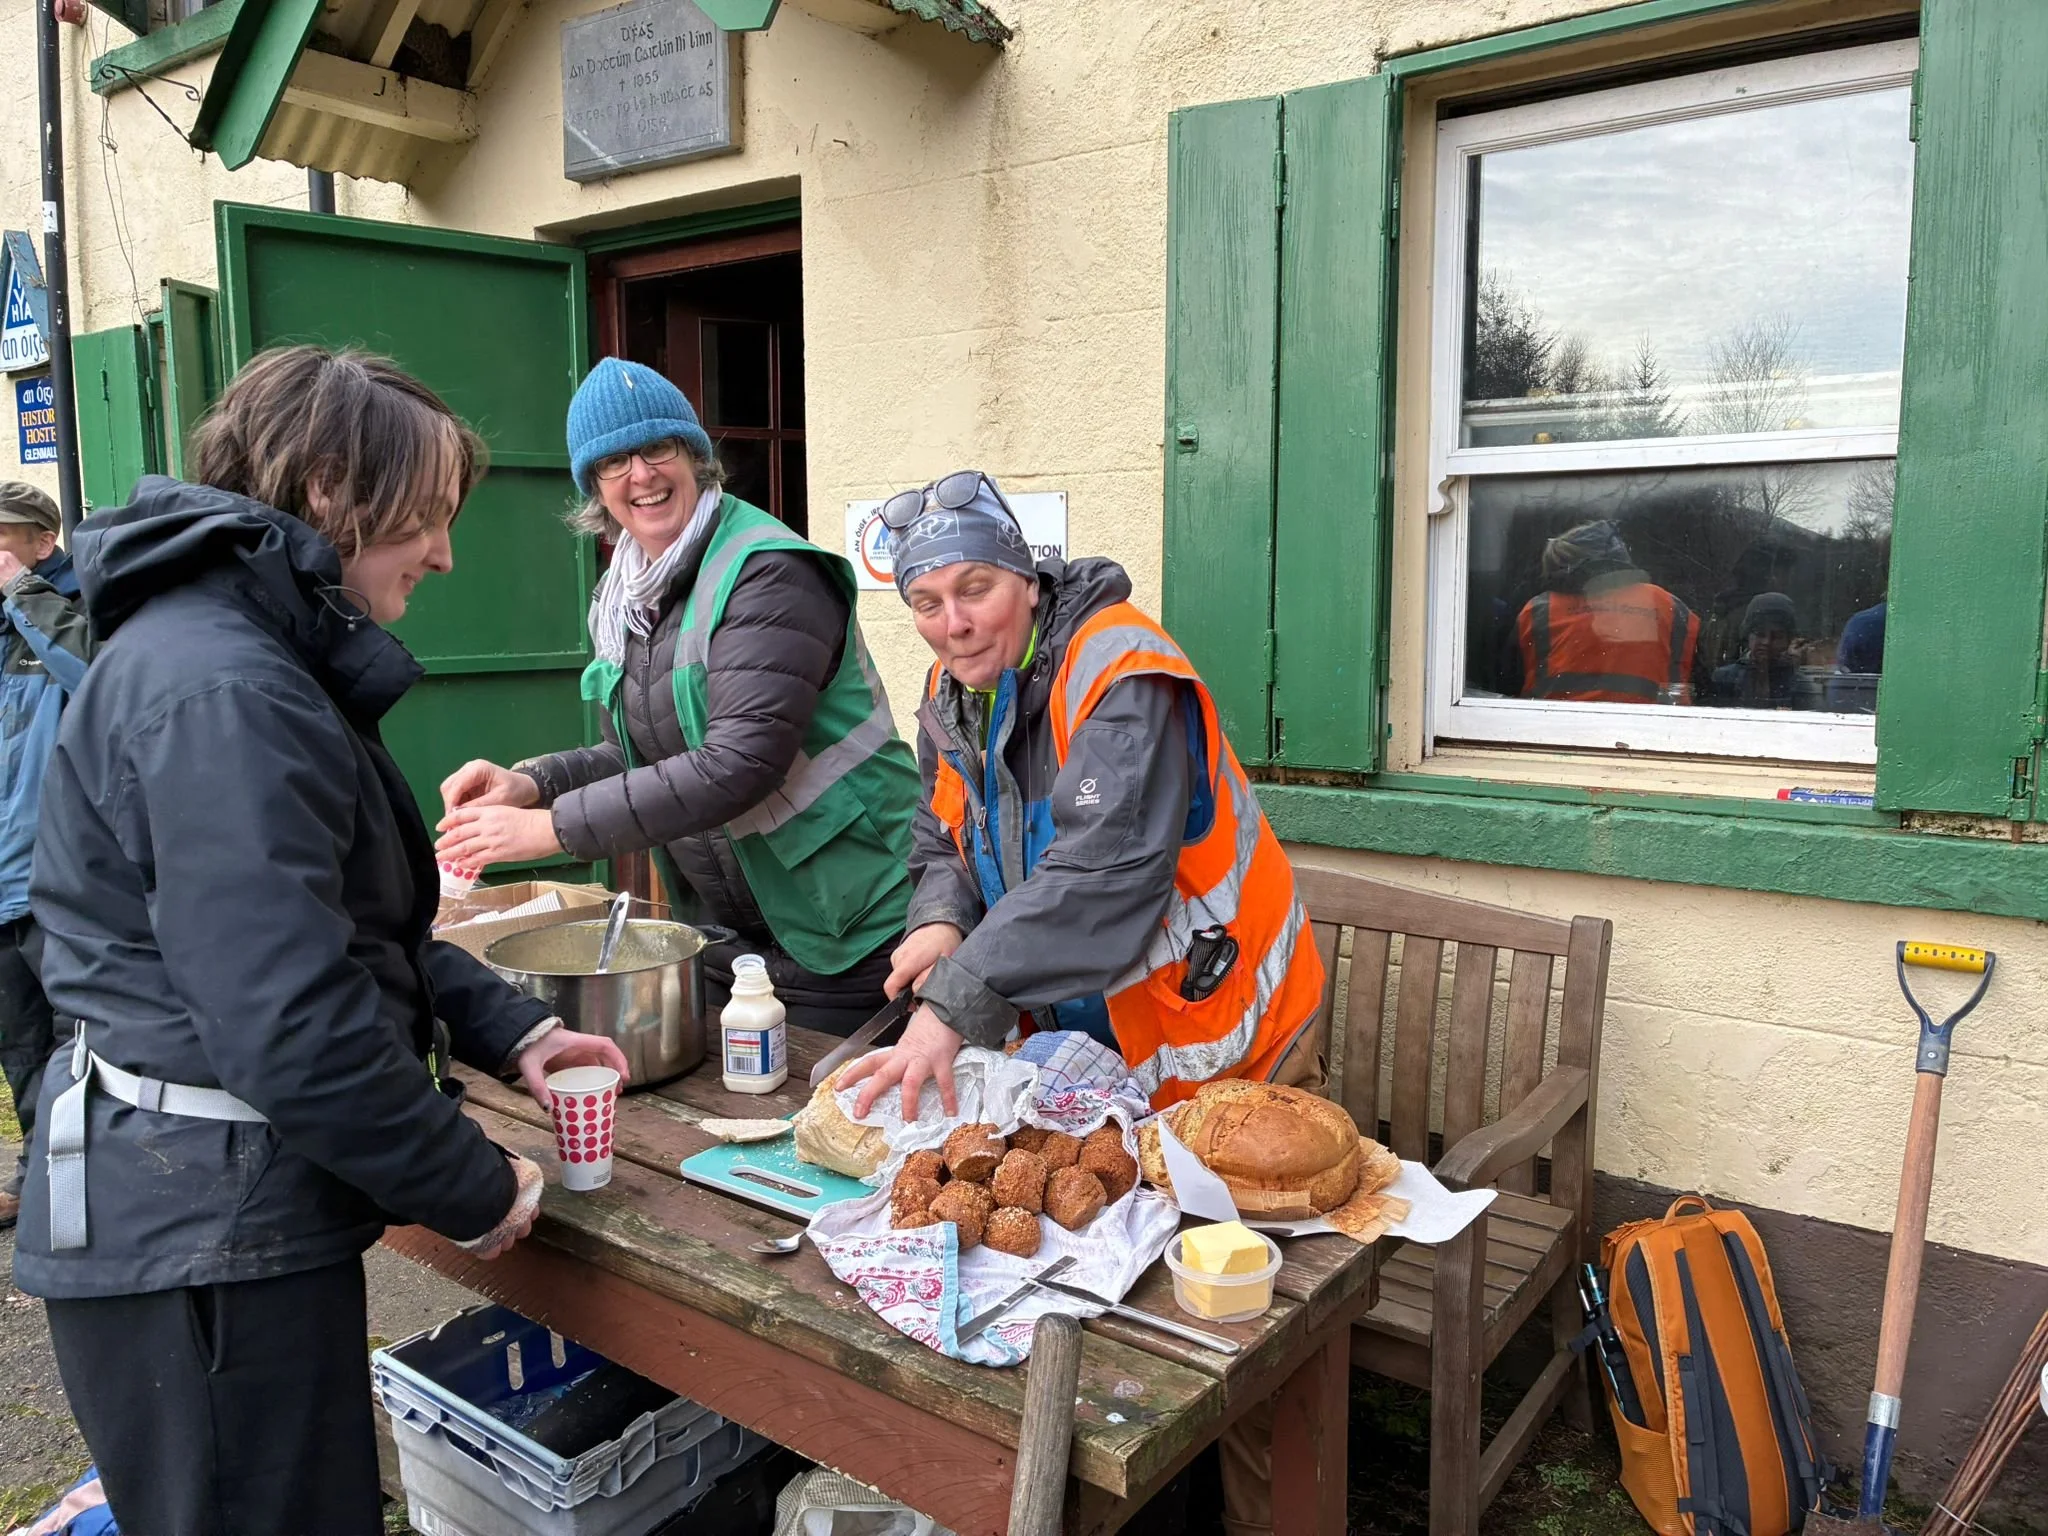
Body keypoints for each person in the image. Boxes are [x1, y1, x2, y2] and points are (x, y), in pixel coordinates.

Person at [12, 346, 629, 1536]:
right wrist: (467, 1184)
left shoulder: (237, 656)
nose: (446, 552)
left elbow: (343, 924)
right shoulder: (225, 689)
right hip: (193, 1234)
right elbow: (287, 1016)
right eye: (431, 516)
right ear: (335, 487)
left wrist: (514, 1026)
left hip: (206, 1210)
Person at [840, 471, 1325, 1536]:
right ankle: (1111, 1491)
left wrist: (952, 1001)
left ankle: (1244, 1506)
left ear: (1024, 575)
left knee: (1215, 1328)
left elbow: (1105, 873)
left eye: (974, 588)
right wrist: (937, 918)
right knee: (1099, 1302)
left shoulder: (1120, 668)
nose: (951, 621)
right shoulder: (950, 692)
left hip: (1222, 1044)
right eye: (925, 601)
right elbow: (940, 837)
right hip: (1089, 1045)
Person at [436, 359, 920, 1036]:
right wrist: (531, 783)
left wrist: (550, 829)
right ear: (594, 488)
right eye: (612, 462)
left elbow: (738, 763)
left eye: (657, 448)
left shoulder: (767, 572)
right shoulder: (630, 595)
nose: (641, 475)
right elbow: (634, 752)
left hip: (851, 922)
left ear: (694, 456)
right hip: (736, 931)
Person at [0, 482, 91, 1231]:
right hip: (0, 878)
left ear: (38, 538)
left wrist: (25, 596)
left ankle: (83, 1192)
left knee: (81, 1042)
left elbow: (100, 682)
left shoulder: (79, 603)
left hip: (59, 879)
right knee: (21, 1045)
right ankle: (35, 1184)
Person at [1513, 520, 1701, 704]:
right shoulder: (1669, 605)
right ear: (1616, 555)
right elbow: (1705, 689)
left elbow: (1504, 688)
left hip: (1549, 730)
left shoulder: (1538, 610)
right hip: (1653, 730)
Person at [1708, 591, 1823, 709]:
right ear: (1748, 636)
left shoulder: (1800, 686)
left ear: (1788, 641)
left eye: (1777, 636)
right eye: (1760, 634)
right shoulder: (1725, 679)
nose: (1766, 642)